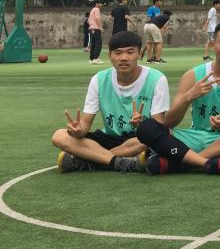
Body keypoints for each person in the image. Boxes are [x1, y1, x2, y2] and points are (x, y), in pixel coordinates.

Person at [137, 20, 220, 177]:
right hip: (194, 137)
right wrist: (189, 97)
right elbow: (170, 123)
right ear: (213, 44)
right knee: (147, 127)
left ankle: (182, 163)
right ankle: (208, 164)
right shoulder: (192, 75)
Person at [52, 30, 169, 173]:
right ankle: (120, 162)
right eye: (117, 53)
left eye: (130, 52)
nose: (123, 58)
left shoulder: (157, 79)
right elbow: (85, 123)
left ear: (139, 54)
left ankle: (91, 159)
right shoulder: (99, 79)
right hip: (109, 137)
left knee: (158, 137)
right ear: (109, 56)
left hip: (139, 139)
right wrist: (77, 131)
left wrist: (142, 125)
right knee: (59, 136)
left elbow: (159, 125)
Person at [86, 0, 104, 64]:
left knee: (93, 44)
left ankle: (91, 59)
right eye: (100, 3)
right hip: (96, 28)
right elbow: (97, 18)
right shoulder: (97, 9)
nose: (101, 5)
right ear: (97, 4)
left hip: (91, 28)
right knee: (98, 43)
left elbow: (88, 21)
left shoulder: (92, 10)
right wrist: (100, 27)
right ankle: (96, 58)